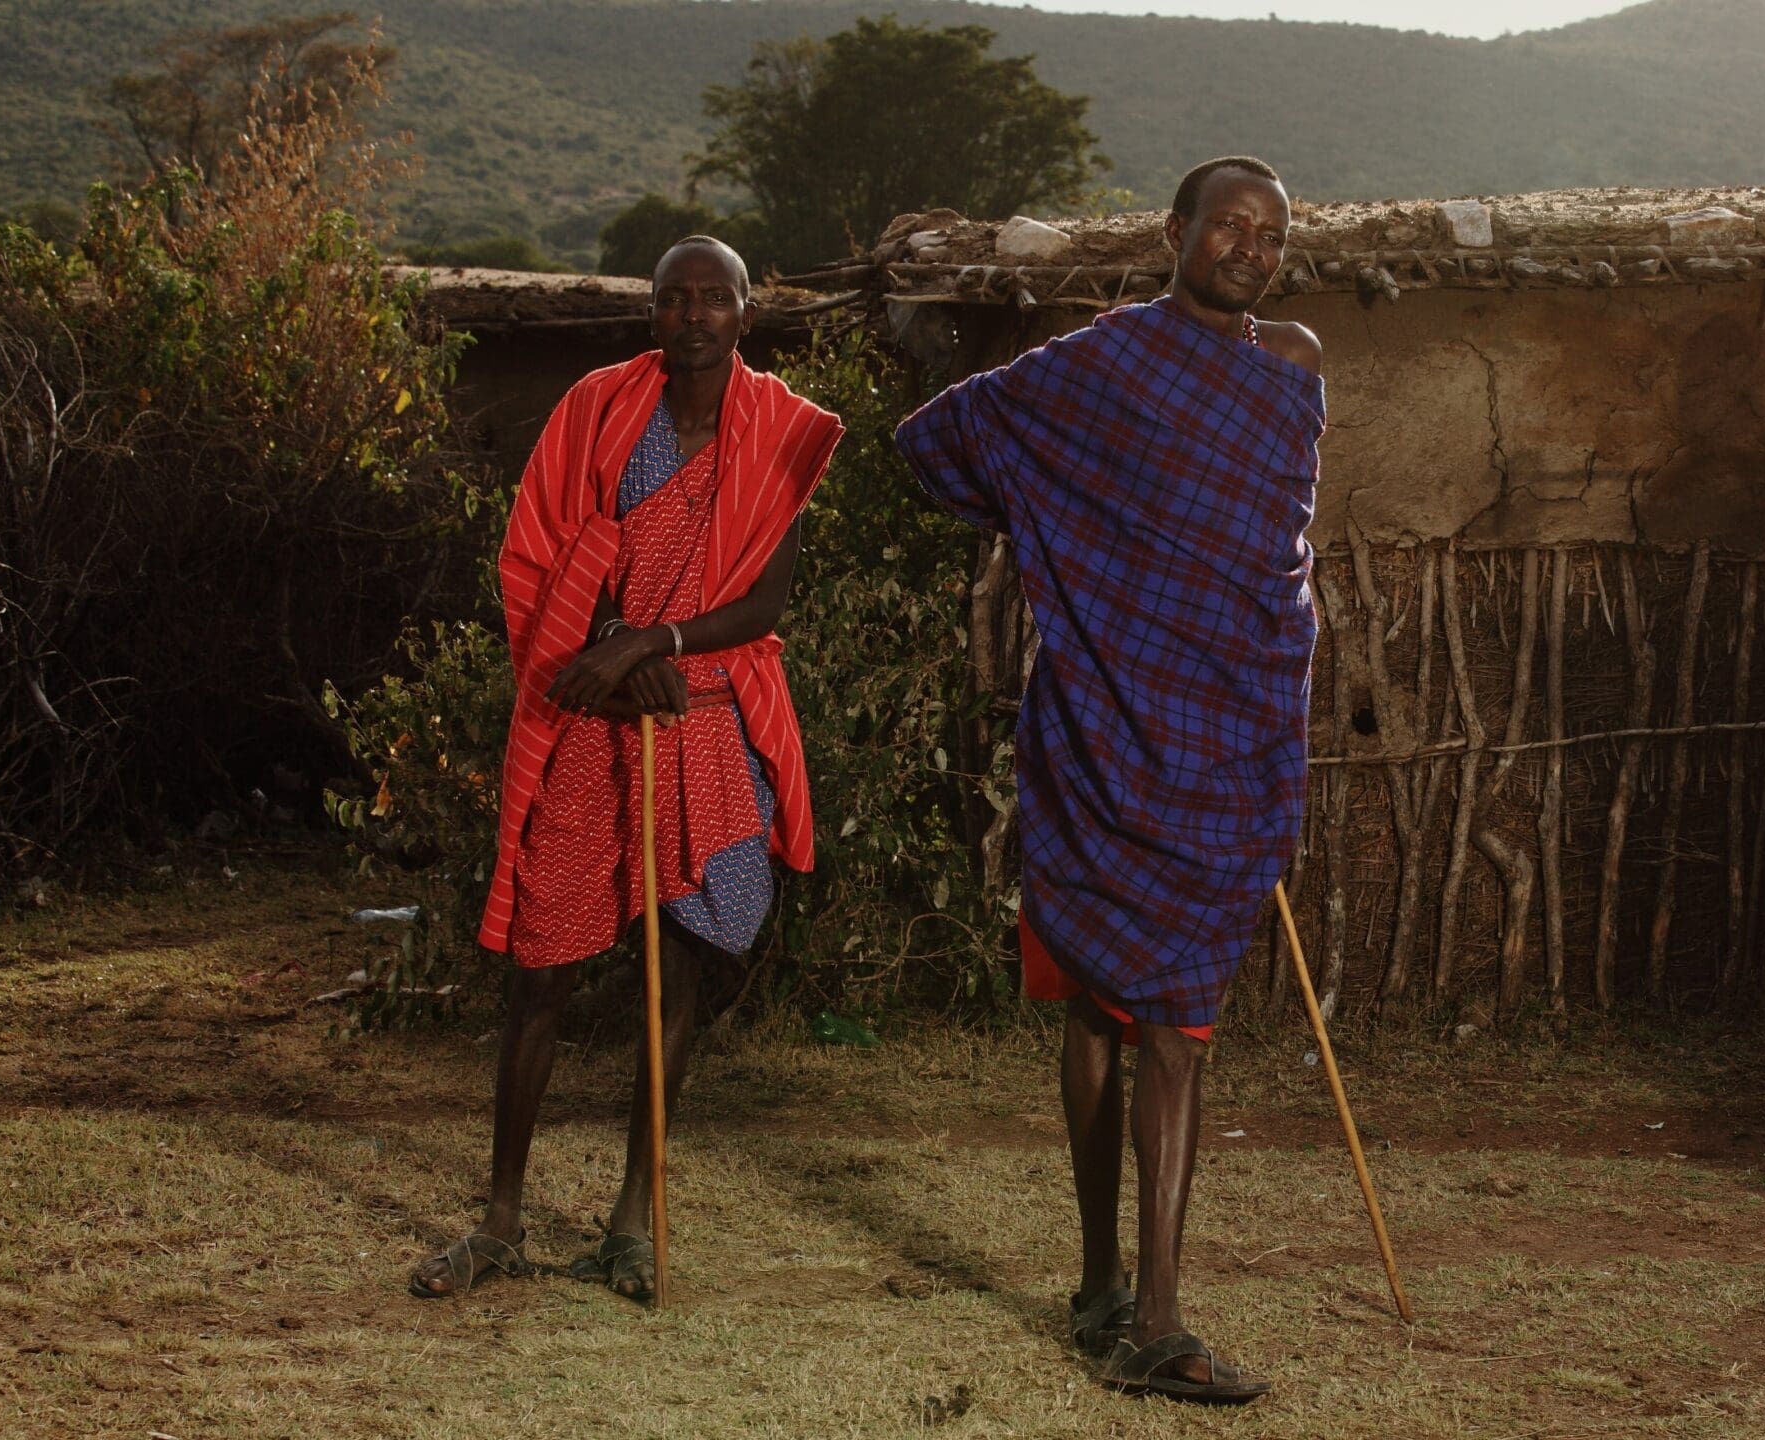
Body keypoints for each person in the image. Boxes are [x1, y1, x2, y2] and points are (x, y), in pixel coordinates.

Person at [895, 156, 1321, 1402]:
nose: (1249, 247)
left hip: (1223, 729)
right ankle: (1102, 1289)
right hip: (1101, 723)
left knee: (1177, 1029)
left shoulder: (1290, 368)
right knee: (1093, 1007)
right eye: (1227, 226)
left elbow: (1274, 538)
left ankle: (1154, 1314)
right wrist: (1054, 519)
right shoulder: (1096, 364)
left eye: (1268, 234)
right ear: (1174, 234)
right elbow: (938, 445)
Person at [409, 236, 842, 1304]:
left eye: (713, 299)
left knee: (678, 960)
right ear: (652, 313)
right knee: (539, 964)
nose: (692, 315)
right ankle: (502, 1219)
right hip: (587, 707)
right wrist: (607, 643)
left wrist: (659, 645)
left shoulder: (780, 433)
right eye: (673, 298)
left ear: (747, 312)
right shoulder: (596, 410)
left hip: (698, 709)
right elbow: (536, 552)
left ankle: (631, 1222)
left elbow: (765, 601)